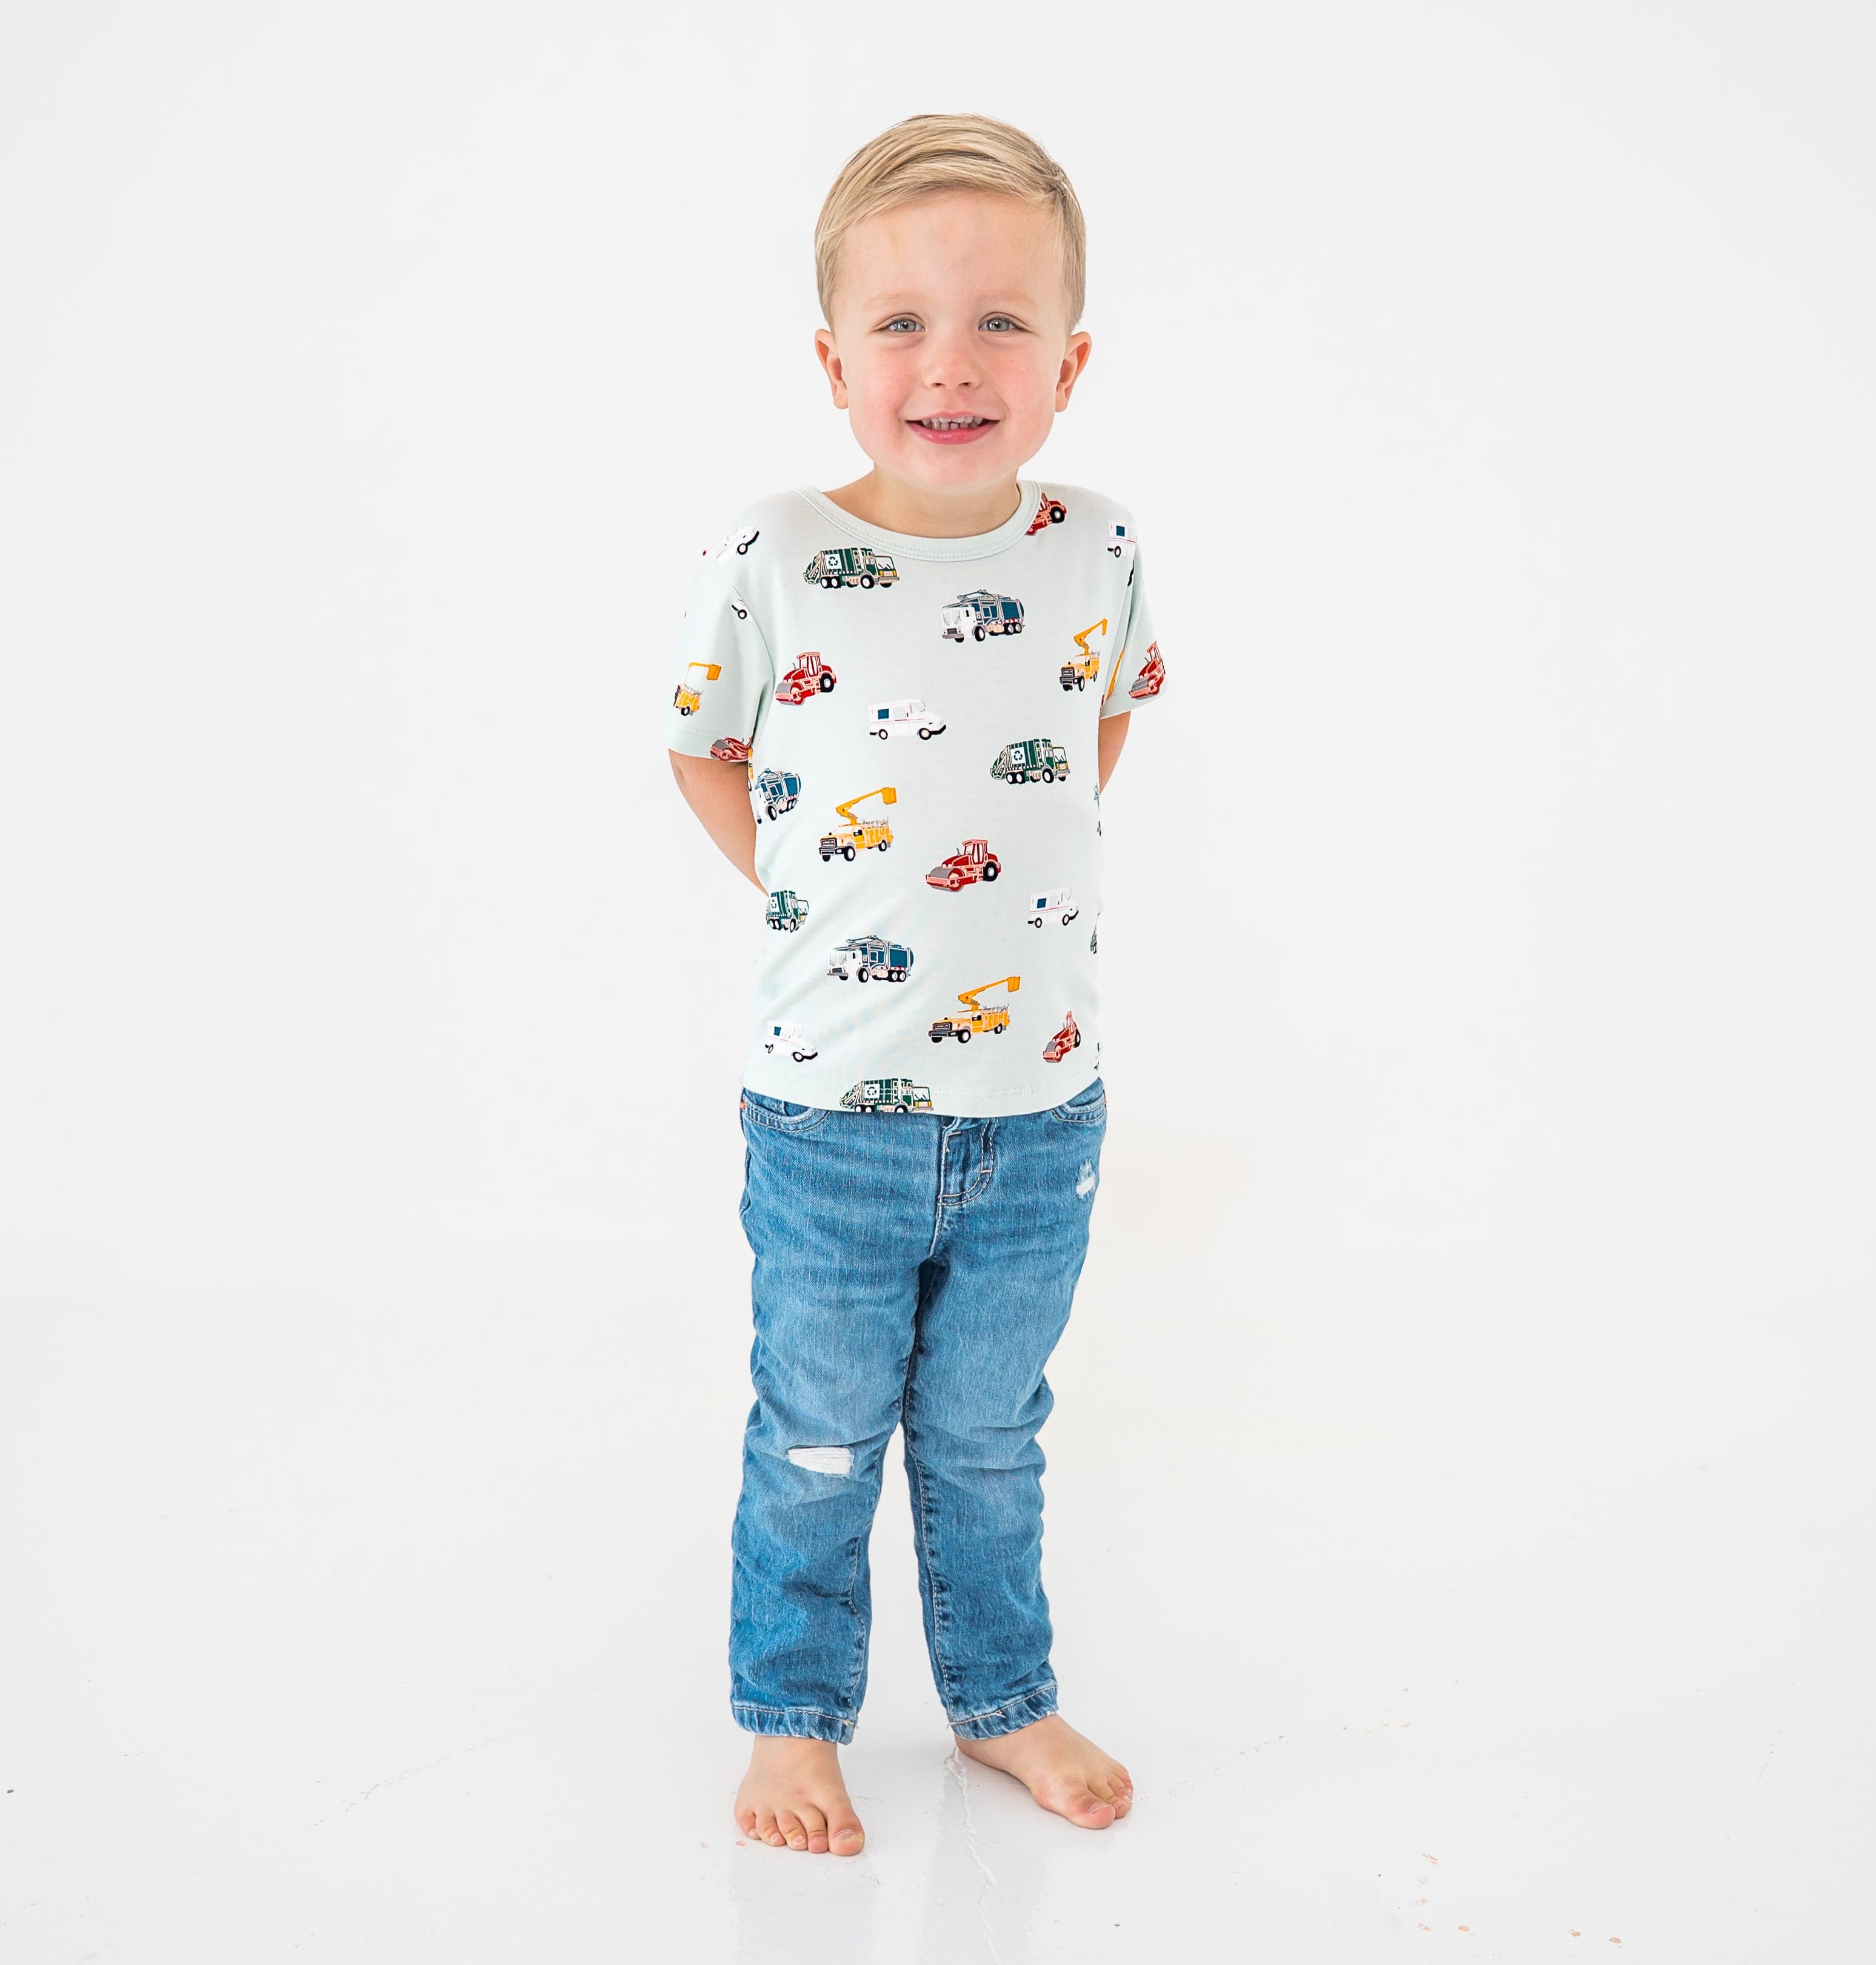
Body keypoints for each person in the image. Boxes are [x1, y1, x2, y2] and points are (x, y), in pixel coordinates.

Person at [665, 113, 1169, 1858]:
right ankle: (791, 1718)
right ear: (833, 361)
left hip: (1041, 1109)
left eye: (1000, 322)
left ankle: (1000, 1697)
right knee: (817, 1432)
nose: (950, 364)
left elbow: (1104, 719)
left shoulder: (1098, 544)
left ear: (1068, 364)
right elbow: (702, 747)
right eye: (901, 324)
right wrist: (816, 891)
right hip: (831, 1113)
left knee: (987, 1433)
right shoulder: (780, 551)